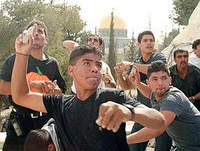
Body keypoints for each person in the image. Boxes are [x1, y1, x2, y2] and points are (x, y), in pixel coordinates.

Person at [11, 31, 165, 151]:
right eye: (86, 63)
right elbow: (20, 96)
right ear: (71, 70)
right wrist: (22, 54)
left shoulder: (112, 97)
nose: (94, 69)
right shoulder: (60, 104)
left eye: (98, 65)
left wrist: (129, 112)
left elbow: (158, 119)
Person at [0, 20, 66, 151]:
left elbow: (61, 91)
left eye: (40, 31)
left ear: (45, 39)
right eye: (32, 31)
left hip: (45, 123)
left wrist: (54, 91)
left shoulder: (53, 64)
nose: (36, 34)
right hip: (20, 123)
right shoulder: (16, 59)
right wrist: (31, 85)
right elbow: (1, 87)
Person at [127, 61, 200, 151]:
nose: (160, 83)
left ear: (169, 80)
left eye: (164, 78)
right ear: (148, 82)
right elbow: (150, 93)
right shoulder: (158, 94)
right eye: (155, 79)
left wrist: (124, 140)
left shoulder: (171, 98)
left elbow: (157, 129)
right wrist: (138, 84)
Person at [115, 31, 171, 151]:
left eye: (151, 40)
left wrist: (130, 65)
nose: (149, 43)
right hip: (143, 112)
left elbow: (154, 70)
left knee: (162, 148)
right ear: (139, 44)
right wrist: (119, 74)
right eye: (145, 40)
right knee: (133, 147)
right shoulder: (137, 62)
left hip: (161, 112)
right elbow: (126, 86)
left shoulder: (159, 57)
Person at [169, 49, 200, 114]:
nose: (183, 59)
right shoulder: (169, 73)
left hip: (196, 107)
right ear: (175, 60)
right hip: (176, 107)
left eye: (185, 56)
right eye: (179, 57)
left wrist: (194, 98)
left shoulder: (196, 72)